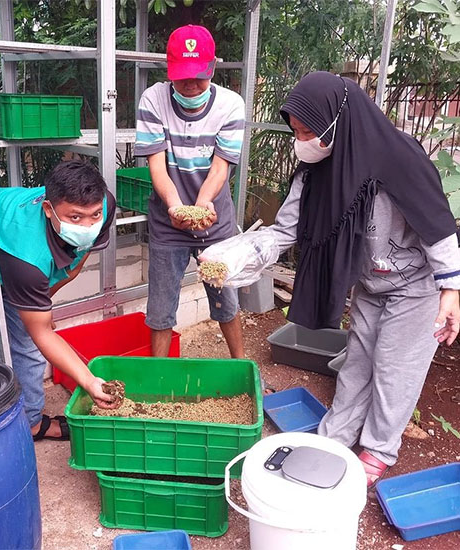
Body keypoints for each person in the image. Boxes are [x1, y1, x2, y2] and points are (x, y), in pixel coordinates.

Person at [266, 71, 460, 487]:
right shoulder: (318, 168)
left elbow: (439, 226)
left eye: (307, 131)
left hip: (416, 285)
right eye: (296, 132)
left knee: (395, 368)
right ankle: (338, 433)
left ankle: (379, 447)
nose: (301, 141)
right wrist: (240, 256)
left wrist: (451, 288)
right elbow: (285, 228)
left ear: (336, 121)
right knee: (357, 361)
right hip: (372, 283)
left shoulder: (399, 160)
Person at [0, 160, 118, 441]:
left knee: (29, 345)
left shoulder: (104, 204)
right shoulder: (27, 259)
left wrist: (47, 296)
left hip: (8, 250)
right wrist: (89, 380)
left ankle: (31, 423)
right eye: (76, 218)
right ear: (48, 209)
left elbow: (78, 257)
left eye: (94, 215)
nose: (88, 225)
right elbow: (41, 327)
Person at [134, 24, 246, 358]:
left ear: (212, 68)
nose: (191, 85)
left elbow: (220, 167)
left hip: (215, 218)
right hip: (169, 222)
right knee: (160, 306)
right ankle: (158, 375)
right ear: (170, 71)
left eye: (199, 76)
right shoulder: (153, 99)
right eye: (183, 76)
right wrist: (175, 207)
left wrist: (201, 204)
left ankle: (241, 364)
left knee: (225, 298)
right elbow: (157, 166)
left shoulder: (231, 105)